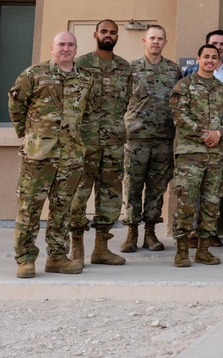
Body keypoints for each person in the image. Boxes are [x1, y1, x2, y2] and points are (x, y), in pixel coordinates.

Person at [8, 31, 91, 279]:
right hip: (38, 155)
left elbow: (86, 112)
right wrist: (28, 134)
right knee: (29, 207)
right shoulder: (34, 74)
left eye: (70, 45)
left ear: (76, 49)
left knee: (62, 208)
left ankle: (57, 257)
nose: (66, 49)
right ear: (51, 48)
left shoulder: (85, 78)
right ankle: (25, 260)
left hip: (71, 154)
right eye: (61, 45)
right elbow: (15, 104)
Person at [69, 19, 131, 268]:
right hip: (85, 142)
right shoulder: (81, 64)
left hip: (114, 142)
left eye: (113, 32)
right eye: (104, 31)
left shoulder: (125, 67)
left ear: (117, 36)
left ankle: (101, 249)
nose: (108, 35)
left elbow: (125, 101)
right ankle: (76, 248)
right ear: (95, 34)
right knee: (78, 194)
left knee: (111, 195)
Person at [169, 44, 223, 267]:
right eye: (206, 56)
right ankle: (181, 251)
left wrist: (219, 133)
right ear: (198, 58)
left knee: (211, 202)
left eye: (214, 57)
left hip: (216, 154)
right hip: (190, 155)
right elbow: (180, 118)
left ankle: (204, 250)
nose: (209, 60)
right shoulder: (184, 86)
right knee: (186, 202)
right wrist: (203, 135)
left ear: (218, 61)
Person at [120, 24, 181, 254]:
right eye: (152, 38)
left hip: (163, 139)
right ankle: (131, 232)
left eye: (160, 39)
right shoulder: (131, 69)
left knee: (157, 188)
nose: (156, 42)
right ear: (144, 41)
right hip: (135, 139)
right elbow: (119, 101)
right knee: (133, 186)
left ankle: (150, 233)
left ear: (165, 43)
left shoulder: (174, 70)